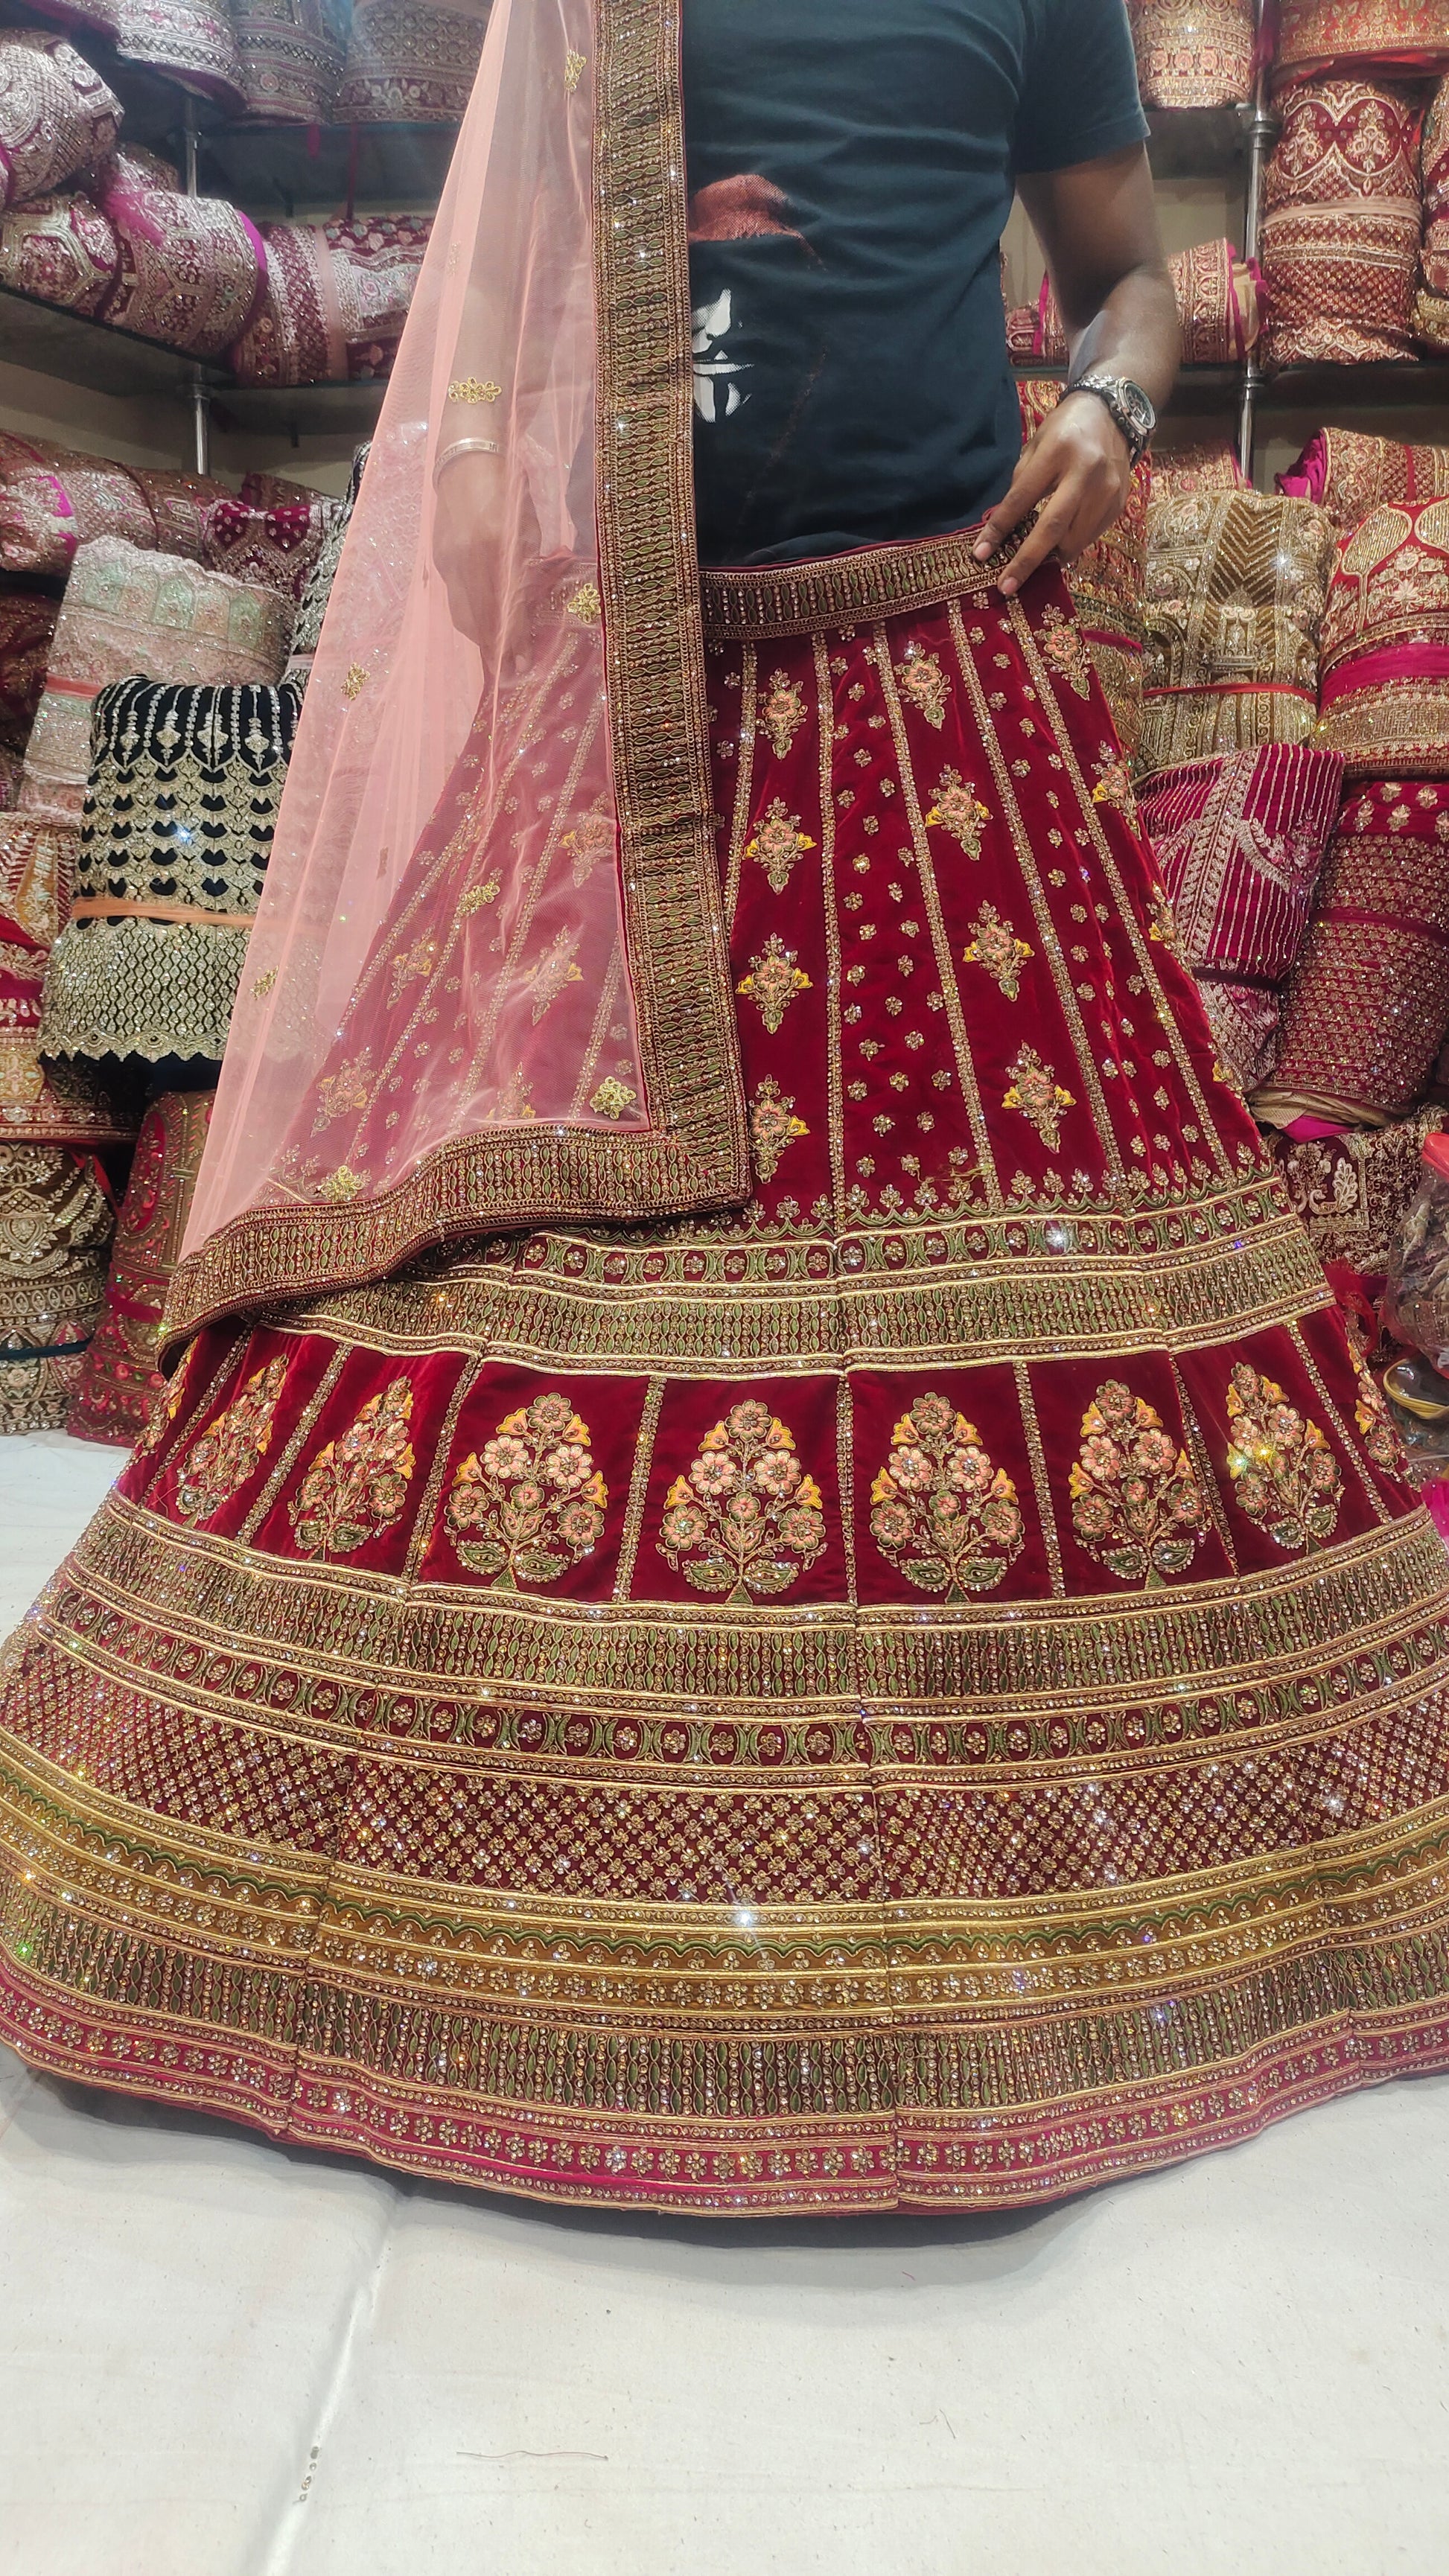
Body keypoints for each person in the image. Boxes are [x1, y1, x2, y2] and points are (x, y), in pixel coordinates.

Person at [3, 0, 1448, 2218]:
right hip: (624, 712)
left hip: (937, 697)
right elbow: (495, 319)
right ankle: (477, 1877)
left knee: (1029, 1333)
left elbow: (1131, 280)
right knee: (468, 1298)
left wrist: (1113, 402)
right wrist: (485, 509)